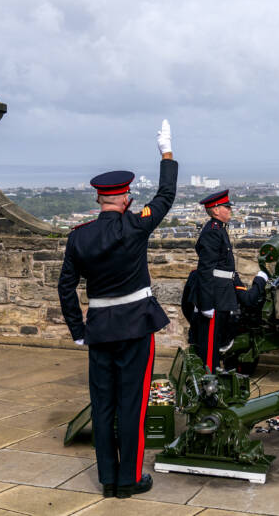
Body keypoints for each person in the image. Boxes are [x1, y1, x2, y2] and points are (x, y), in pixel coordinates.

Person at [58, 120, 177, 499]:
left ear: (99, 199)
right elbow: (166, 194)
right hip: (136, 326)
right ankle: (129, 479)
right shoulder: (135, 226)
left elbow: (65, 287)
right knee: (133, 404)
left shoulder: (80, 236)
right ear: (125, 198)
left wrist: (78, 331)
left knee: (103, 403)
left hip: (99, 328)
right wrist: (166, 152)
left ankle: (108, 478)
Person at [190, 190, 267, 372]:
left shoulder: (218, 230)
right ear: (216, 210)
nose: (230, 210)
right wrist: (207, 304)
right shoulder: (212, 232)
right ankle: (209, 383)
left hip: (222, 294)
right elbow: (206, 270)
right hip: (215, 297)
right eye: (226, 207)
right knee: (210, 349)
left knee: (216, 342)